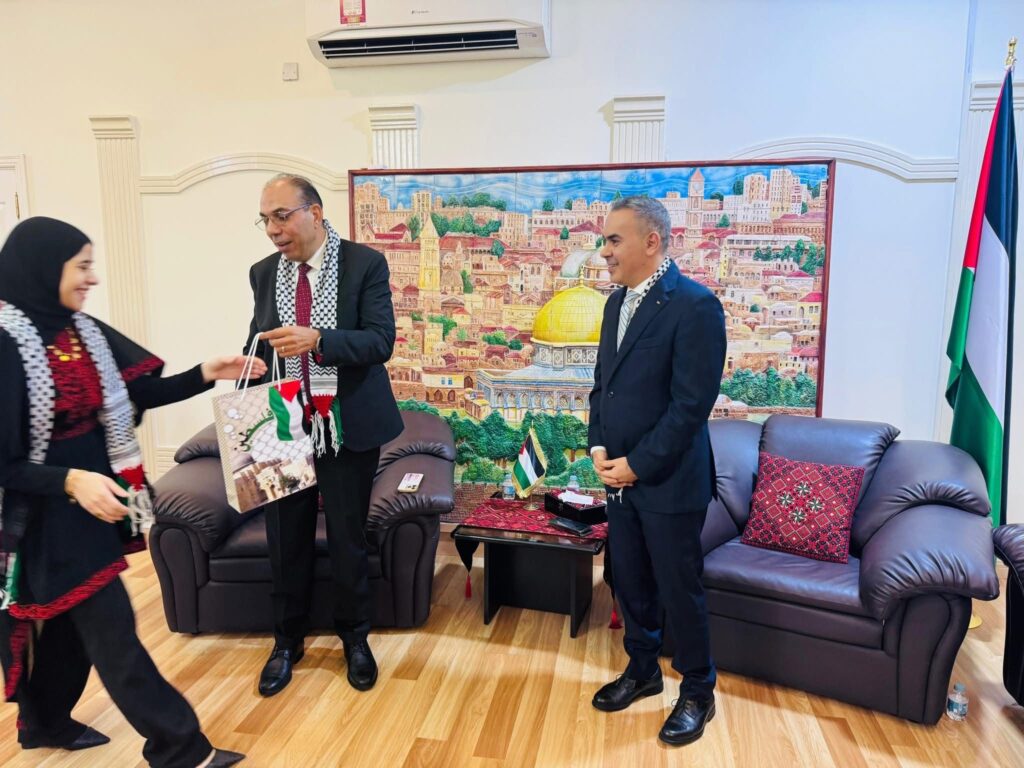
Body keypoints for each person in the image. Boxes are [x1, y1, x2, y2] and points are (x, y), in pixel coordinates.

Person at [0, 217, 259, 767]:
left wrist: (205, 372)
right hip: (47, 519)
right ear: (44, 269)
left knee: (71, 624)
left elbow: (134, 392)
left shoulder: (80, 331)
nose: (92, 278)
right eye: (81, 266)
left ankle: (45, 722)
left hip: (94, 505)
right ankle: (180, 749)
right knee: (112, 630)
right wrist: (68, 480)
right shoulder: (4, 343)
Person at [246, 174, 403, 697]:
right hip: (283, 424)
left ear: (314, 212)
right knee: (284, 538)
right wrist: (244, 362)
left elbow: (380, 341)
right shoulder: (262, 273)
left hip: (347, 423)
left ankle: (355, 638)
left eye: (281, 216)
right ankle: (286, 642)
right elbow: (259, 338)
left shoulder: (365, 264)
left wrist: (318, 341)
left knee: (346, 536)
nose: (273, 229)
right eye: (265, 219)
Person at [588, 196, 726, 746]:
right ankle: (642, 670)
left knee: (678, 589)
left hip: (668, 482)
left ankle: (698, 690)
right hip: (618, 479)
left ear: (652, 242)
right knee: (629, 581)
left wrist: (637, 466)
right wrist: (598, 446)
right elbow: (603, 387)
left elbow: (690, 406)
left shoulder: (695, 305)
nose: (604, 252)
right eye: (604, 240)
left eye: (613, 240)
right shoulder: (613, 305)